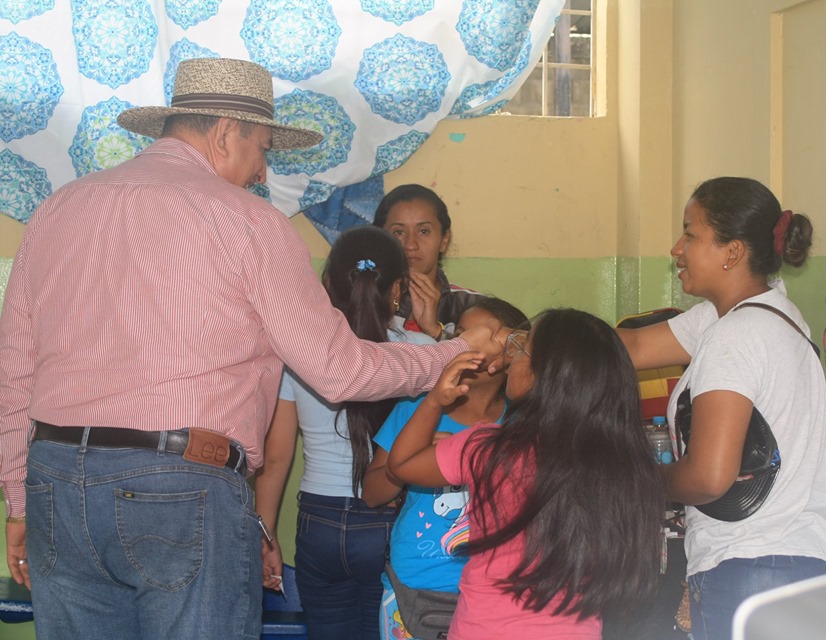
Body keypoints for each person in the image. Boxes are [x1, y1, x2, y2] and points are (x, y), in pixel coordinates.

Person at [0, 57, 502, 640]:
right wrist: (451, 352)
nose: (262, 171)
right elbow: (339, 370)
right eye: (261, 148)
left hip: (57, 480)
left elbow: (13, 371)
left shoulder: (58, 210)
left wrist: (18, 499)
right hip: (182, 485)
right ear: (225, 133)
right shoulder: (250, 222)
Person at [616, 177, 826, 640]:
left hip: (758, 569)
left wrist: (636, 481)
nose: (676, 249)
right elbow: (631, 347)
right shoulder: (762, 312)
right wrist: (524, 341)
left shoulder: (733, 337)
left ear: (731, 252)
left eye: (690, 235)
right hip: (816, 563)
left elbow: (709, 477)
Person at [385, 308, 666, 639]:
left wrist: (434, 400)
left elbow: (401, 464)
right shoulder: (623, 466)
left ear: (538, 375)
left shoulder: (491, 448)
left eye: (522, 349)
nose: (511, 357)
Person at [255, 225, 436, 640]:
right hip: (392, 520)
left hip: (318, 524)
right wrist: (438, 331)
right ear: (398, 289)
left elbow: (276, 457)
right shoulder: (425, 353)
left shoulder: (299, 353)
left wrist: (266, 535)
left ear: (326, 284)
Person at [362, 297, 528, 640]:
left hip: (494, 593)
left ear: (511, 353)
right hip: (414, 587)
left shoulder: (522, 421)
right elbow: (371, 494)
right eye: (460, 335)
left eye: (481, 338)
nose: (465, 345)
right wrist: (410, 462)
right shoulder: (418, 408)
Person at [373, 184, 486, 340]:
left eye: (423, 231)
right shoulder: (360, 302)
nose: (411, 245)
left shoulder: (473, 307)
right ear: (380, 240)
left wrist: (437, 332)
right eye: (399, 232)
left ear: (444, 240)